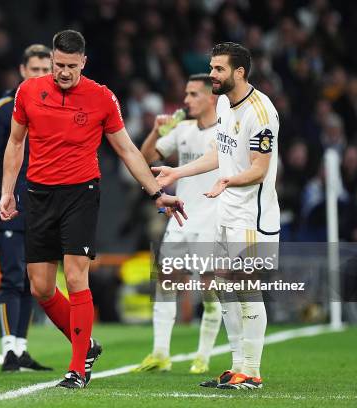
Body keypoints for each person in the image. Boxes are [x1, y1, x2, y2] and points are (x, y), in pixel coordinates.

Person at [0, 30, 187, 389]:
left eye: (71, 66)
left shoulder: (101, 97)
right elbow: (15, 142)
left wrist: (155, 192)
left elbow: (128, 150)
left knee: (74, 276)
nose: (63, 72)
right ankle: (86, 344)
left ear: (83, 62)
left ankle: (78, 368)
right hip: (38, 193)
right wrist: (7, 192)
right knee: (40, 287)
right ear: (52, 59)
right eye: (58, 65)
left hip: (80, 194)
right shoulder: (28, 92)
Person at [154, 42, 280, 390]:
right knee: (225, 289)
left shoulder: (261, 112)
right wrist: (177, 173)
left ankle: (252, 372)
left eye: (219, 69)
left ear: (239, 72)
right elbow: (218, 153)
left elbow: (259, 169)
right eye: (211, 67)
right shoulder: (224, 102)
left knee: (246, 289)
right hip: (227, 213)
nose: (212, 74)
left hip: (253, 218)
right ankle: (237, 366)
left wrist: (228, 180)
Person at [133, 74, 222, 374]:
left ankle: (204, 355)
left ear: (212, 97)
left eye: (193, 94)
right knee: (165, 284)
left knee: (210, 291)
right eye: (186, 94)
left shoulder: (226, 131)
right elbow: (146, 159)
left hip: (213, 220)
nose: (185, 100)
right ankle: (160, 353)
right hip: (181, 219)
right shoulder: (182, 129)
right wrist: (155, 131)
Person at [0, 44, 53, 371]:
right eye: (34, 70)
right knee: (12, 276)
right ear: (22, 71)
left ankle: (20, 348)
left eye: (45, 70)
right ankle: (8, 349)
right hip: (10, 208)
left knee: (32, 281)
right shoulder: (4, 109)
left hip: (45, 208)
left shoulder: (57, 108)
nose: (40, 76)